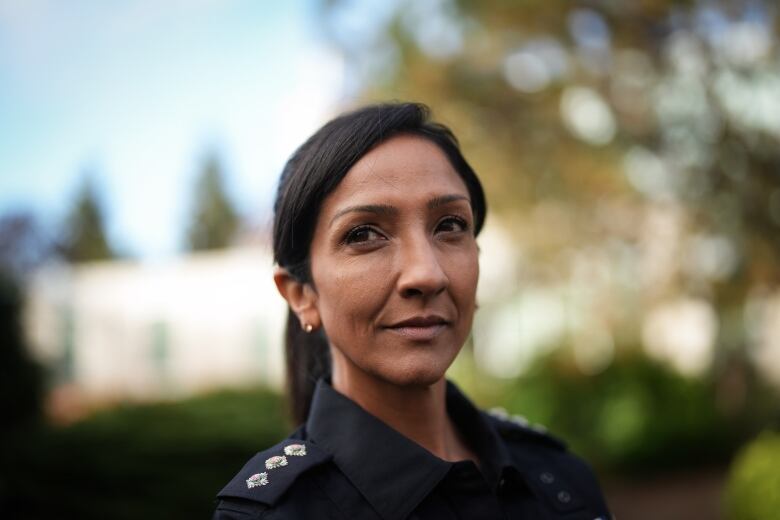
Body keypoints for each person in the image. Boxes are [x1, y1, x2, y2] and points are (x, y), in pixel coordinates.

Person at [213, 102, 612, 519]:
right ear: (301, 294)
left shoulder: (561, 480)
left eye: (450, 226)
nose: (427, 274)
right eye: (364, 233)